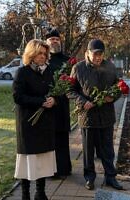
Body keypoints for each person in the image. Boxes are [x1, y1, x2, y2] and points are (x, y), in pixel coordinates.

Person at [69, 39, 123, 190]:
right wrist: (81, 101)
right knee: (88, 150)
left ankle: (110, 177)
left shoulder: (110, 67)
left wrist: (113, 97)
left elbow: (118, 87)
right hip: (87, 116)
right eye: (95, 54)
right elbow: (70, 90)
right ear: (87, 53)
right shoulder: (78, 68)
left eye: (100, 54)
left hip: (106, 115)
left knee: (108, 149)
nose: (98, 57)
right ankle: (89, 178)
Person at [12, 39, 57, 200]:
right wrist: (40, 101)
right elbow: (18, 97)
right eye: (40, 53)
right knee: (28, 161)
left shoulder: (50, 71)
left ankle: (40, 192)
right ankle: (25, 194)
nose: (43, 57)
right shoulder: (22, 72)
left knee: (43, 159)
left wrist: (54, 100)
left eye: (45, 54)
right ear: (31, 53)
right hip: (28, 123)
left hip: (45, 123)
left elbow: (56, 92)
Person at [45, 28, 72, 178]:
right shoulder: (44, 59)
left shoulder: (67, 60)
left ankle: (64, 169)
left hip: (62, 103)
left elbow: (72, 80)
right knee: (50, 138)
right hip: (47, 104)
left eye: (57, 39)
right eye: (51, 39)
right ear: (47, 42)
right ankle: (51, 170)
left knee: (62, 137)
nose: (55, 41)